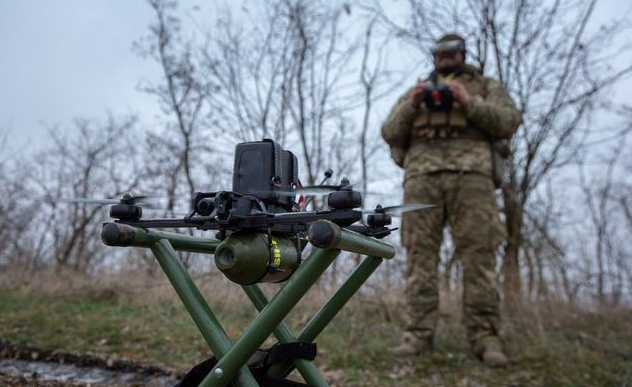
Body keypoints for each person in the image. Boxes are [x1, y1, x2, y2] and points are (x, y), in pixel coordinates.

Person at [381, 33, 522, 367]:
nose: (445, 58)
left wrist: (468, 102)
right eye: (439, 54)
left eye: (451, 53)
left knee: (480, 256)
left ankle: (486, 338)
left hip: (473, 177)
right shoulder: (415, 90)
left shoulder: (486, 85)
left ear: (462, 54)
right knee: (419, 257)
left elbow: (509, 121)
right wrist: (411, 106)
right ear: (434, 58)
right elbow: (389, 131)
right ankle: (417, 335)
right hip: (421, 178)